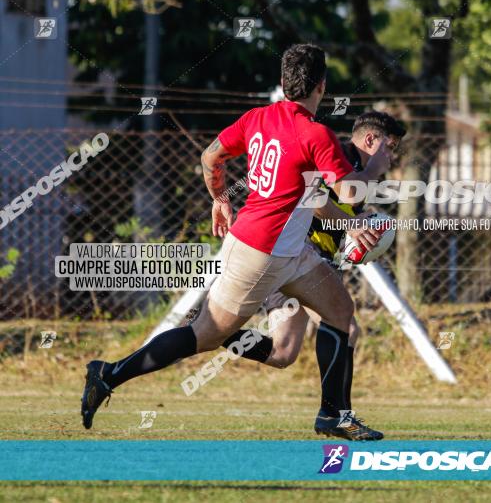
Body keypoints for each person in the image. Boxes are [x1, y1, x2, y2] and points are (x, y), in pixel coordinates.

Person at [80, 44, 389, 440]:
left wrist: (219, 198)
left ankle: (334, 415)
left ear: (282, 83)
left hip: (289, 252)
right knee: (205, 336)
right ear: (322, 86)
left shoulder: (258, 118)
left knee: (340, 312)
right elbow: (347, 194)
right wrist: (376, 167)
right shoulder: (316, 133)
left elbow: (211, 158)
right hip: (258, 253)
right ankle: (108, 374)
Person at [216, 111, 407, 427]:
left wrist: (364, 231)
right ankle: (337, 416)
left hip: (315, 259)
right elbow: (313, 201)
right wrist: (353, 224)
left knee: (283, 352)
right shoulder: (338, 157)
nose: (392, 156)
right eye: (391, 146)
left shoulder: (360, 172)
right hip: (299, 257)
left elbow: (344, 212)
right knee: (349, 328)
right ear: (371, 140)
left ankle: (214, 330)